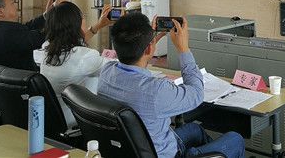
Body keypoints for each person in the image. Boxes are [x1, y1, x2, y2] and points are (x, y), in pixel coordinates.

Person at [98, 13, 245, 158]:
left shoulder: (106, 72)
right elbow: (197, 94)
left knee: (195, 130)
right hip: (164, 154)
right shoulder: (156, 90)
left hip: (131, 150)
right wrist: (183, 49)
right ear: (149, 49)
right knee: (235, 139)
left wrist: (149, 42)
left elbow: (135, 66)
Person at [40, 1, 115, 128]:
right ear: (77, 23)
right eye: (83, 17)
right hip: (77, 123)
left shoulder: (46, 48)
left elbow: (71, 43)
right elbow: (119, 68)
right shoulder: (85, 57)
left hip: (52, 120)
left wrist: (98, 25)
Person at [0, 0, 57, 71]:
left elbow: (25, 28)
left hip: (0, 78)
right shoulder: (9, 34)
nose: (16, 5)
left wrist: (46, 15)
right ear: (1, 11)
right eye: (12, 3)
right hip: (19, 78)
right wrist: (61, 15)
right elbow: (43, 37)